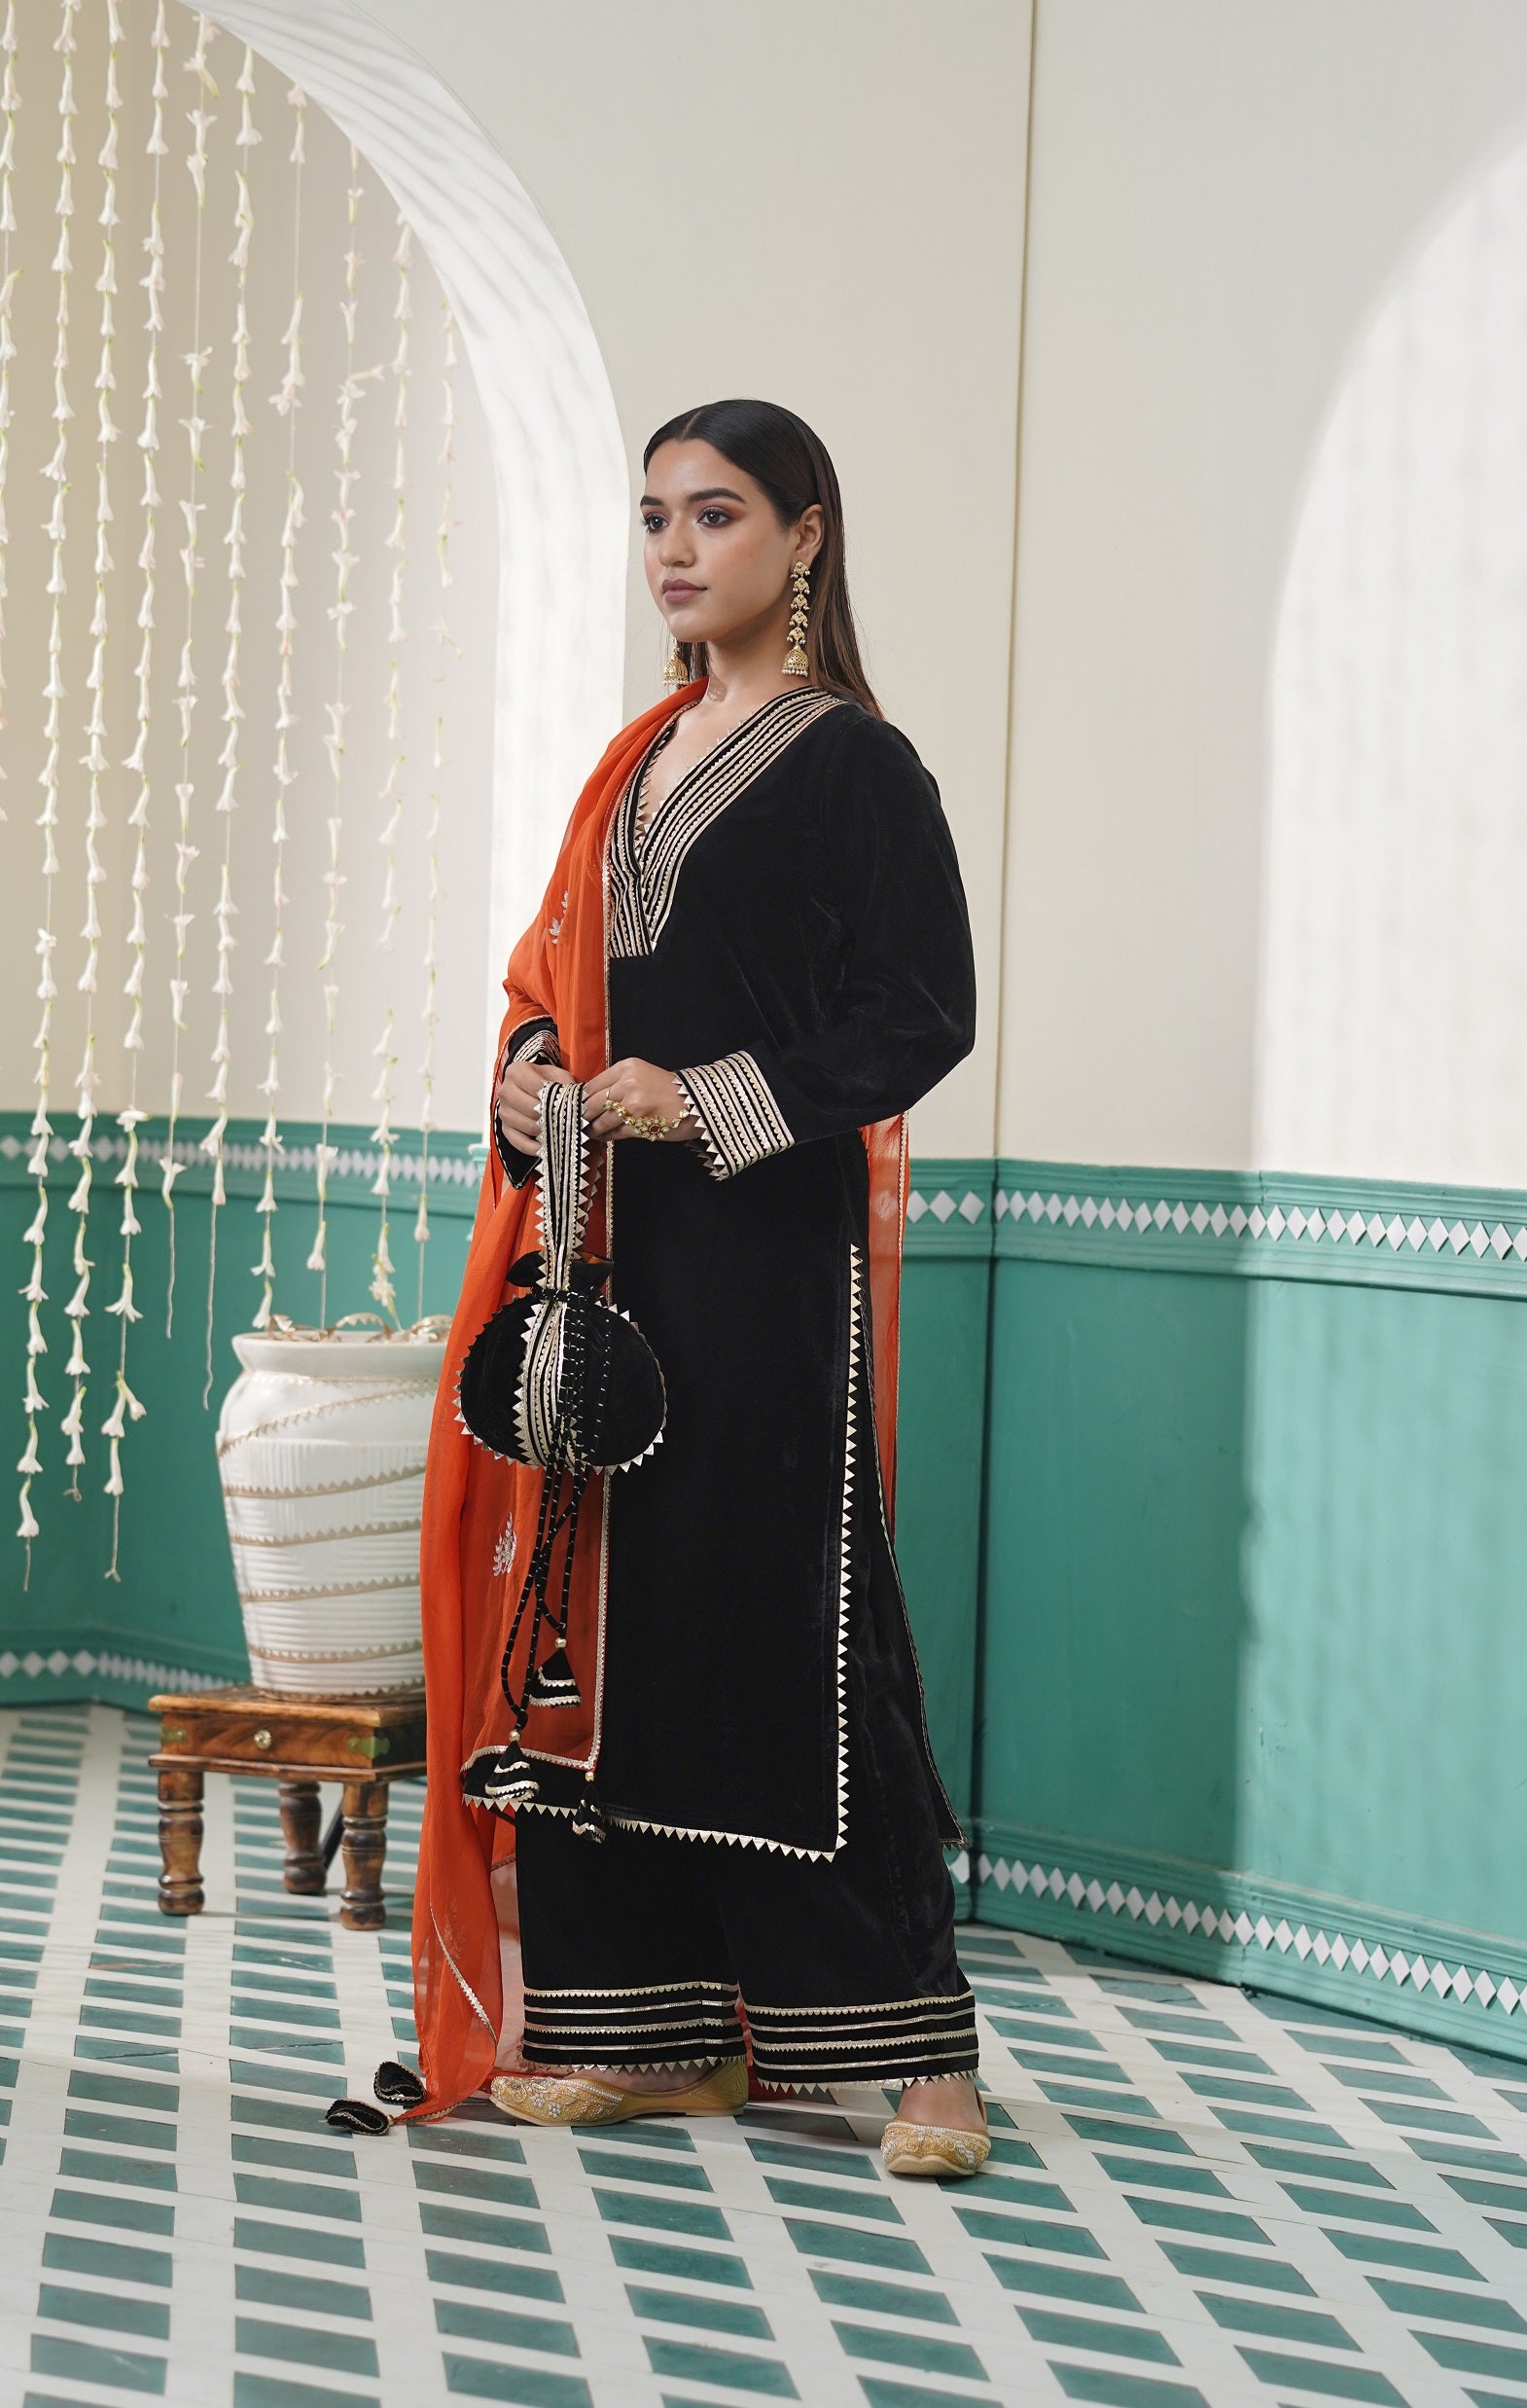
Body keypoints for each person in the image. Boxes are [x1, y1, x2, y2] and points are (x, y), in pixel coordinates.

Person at [406, 397, 986, 2180]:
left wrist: (710, 1100)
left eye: (715, 514)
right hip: (604, 1251)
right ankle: (638, 2030)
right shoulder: (633, 761)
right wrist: (529, 1073)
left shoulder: (857, 767)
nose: (673, 547)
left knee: (788, 1625)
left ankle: (916, 2054)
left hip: (760, 1262)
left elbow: (919, 1016)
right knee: (598, 1620)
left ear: (804, 537)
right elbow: (546, 983)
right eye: (654, 515)